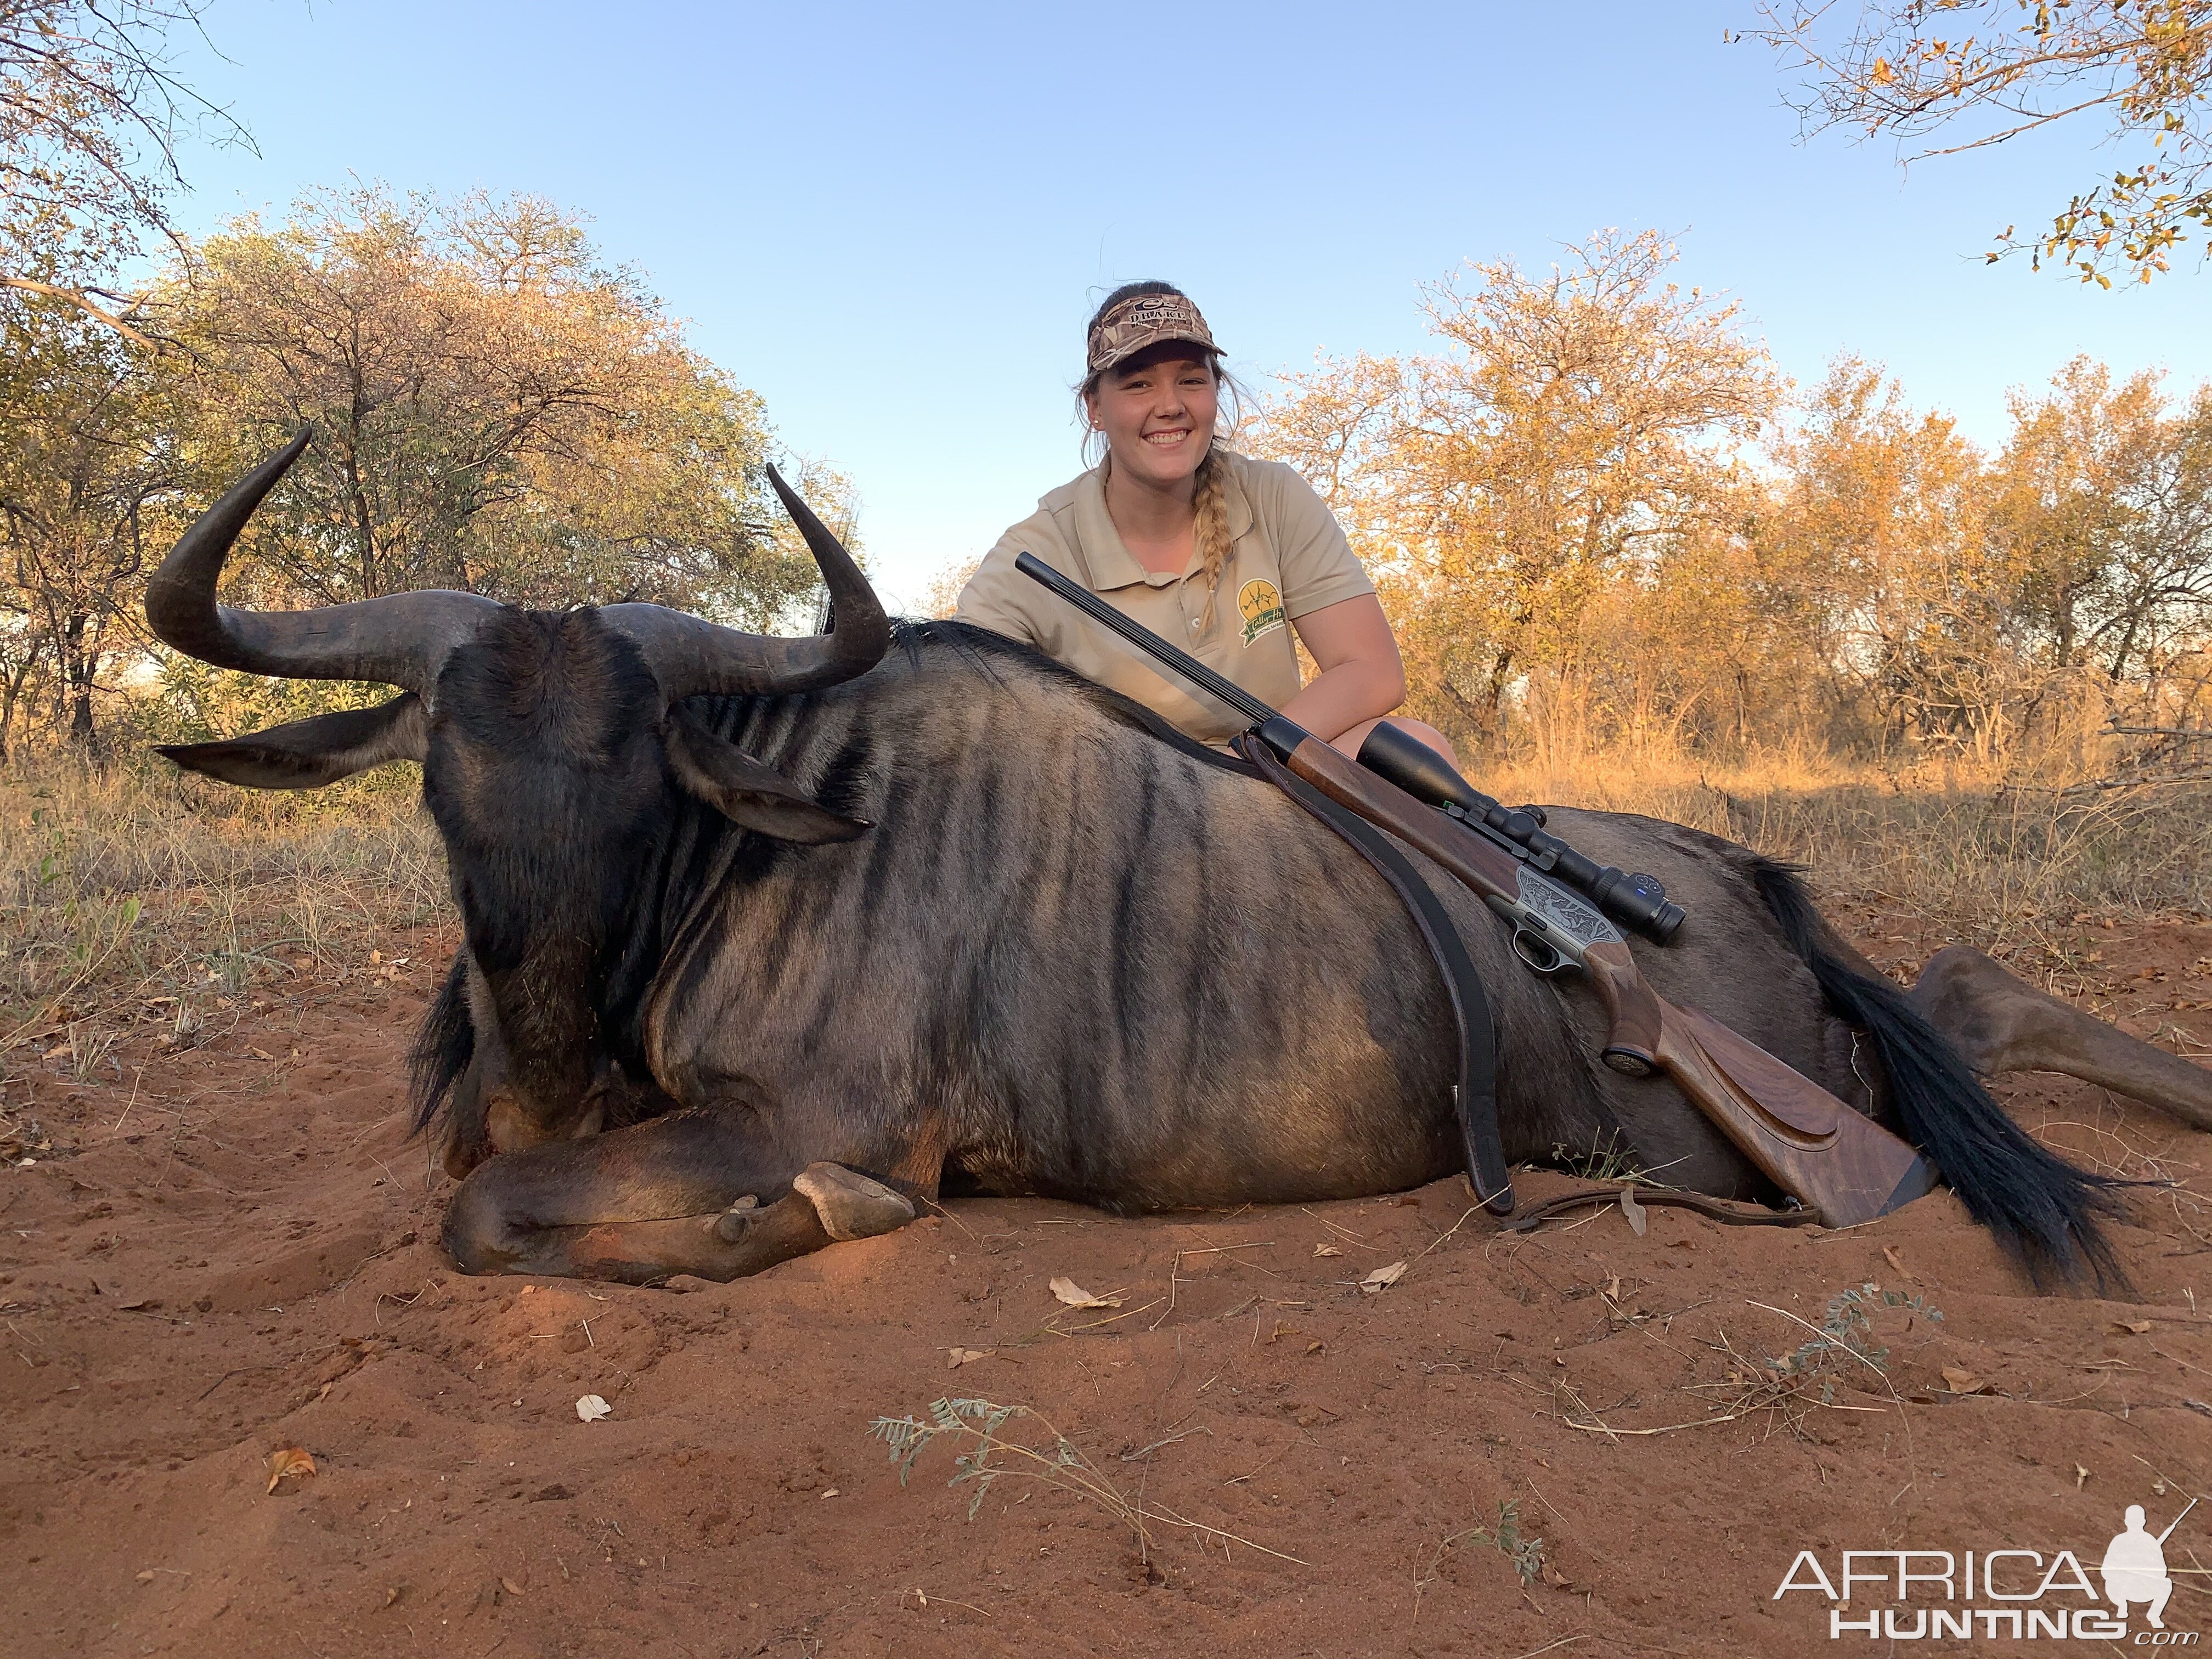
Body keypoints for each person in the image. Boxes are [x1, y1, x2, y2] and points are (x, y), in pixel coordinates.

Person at [956, 281, 1460, 766]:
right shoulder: (1034, 552)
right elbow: (962, 708)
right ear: (1095, 408)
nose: (1171, 405)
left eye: (1192, 380)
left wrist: (1241, 764)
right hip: (1125, 808)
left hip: (1270, 770)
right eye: (1138, 384)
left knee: (1418, 748)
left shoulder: (1274, 495)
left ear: (1215, 391)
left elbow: (1372, 672)